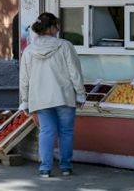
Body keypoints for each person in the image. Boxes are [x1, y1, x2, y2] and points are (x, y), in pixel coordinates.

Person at [19, 12, 86, 178]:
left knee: (46, 132)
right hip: (64, 96)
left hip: (40, 98)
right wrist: (80, 94)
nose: (58, 28)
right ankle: (66, 167)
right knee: (66, 132)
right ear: (50, 28)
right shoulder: (65, 46)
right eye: (56, 25)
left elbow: (24, 79)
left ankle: (45, 168)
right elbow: (75, 73)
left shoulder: (28, 50)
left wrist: (25, 100)